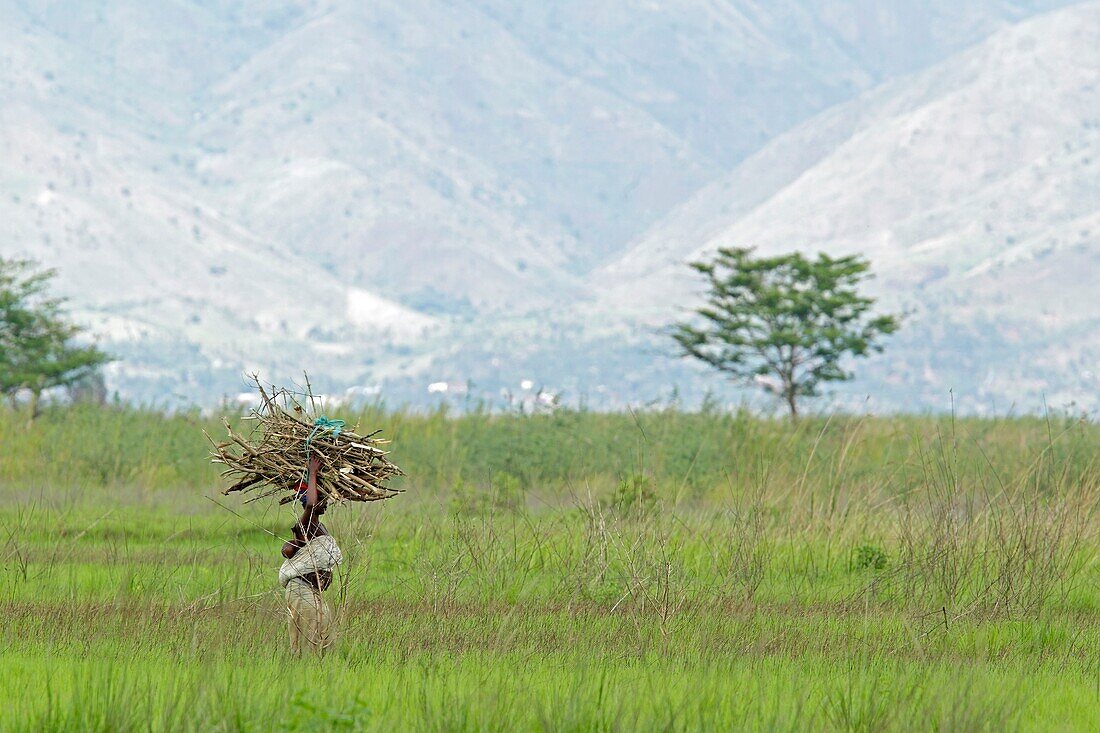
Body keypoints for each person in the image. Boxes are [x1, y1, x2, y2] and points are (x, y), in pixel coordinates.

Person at [279, 455, 343, 656]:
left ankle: (319, 675)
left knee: (325, 636)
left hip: (312, 592)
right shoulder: (305, 524)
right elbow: (310, 505)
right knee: (310, 641)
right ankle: (306, 676)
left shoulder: (318, 526)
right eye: (322, 499)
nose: (326, 503)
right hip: (302, 590)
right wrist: (312, 472)